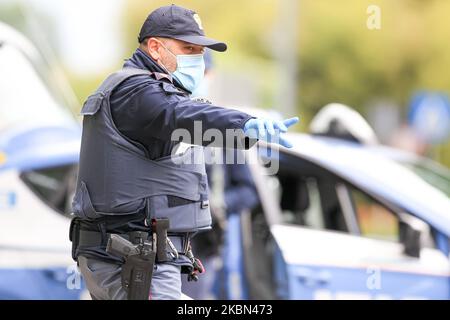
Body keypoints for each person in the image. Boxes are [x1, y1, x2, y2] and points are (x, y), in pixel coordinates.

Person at [69, 4, 298, 300]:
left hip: (133, 256)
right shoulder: (137, 91)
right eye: (188, 48)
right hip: (133, 259)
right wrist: (244, 124)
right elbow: (181, 115)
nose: (198, 59)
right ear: (154, 47)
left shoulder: (144, 90)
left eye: (200, 52)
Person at [181, 51, 260, 299]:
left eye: (202, 73)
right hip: (162, 242)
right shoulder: (166, 119)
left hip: (204, 245)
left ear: (211, 76)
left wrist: (219, 204)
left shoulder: (223, 131)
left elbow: (248, 192)